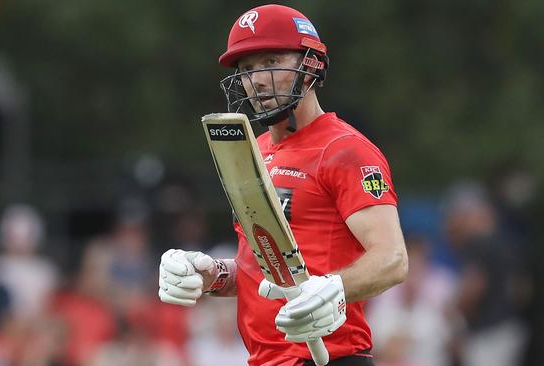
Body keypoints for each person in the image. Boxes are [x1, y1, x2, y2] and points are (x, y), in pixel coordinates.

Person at [158, 5, 408, 366]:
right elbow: (262, 271)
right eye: (246, 69)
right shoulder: (252, 150)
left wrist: (334, 288)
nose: (256, 79)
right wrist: (213, 274)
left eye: (270, 61)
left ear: (310, 65)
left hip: (329, 359)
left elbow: (392, 260)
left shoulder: (344, 150)